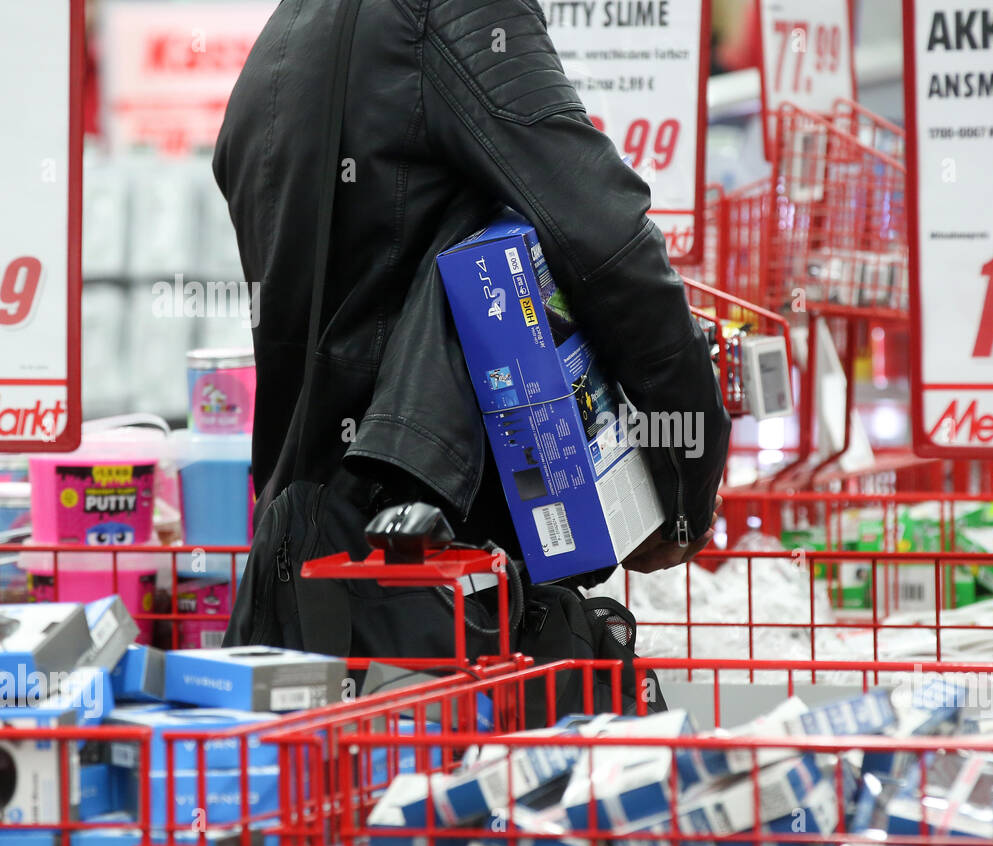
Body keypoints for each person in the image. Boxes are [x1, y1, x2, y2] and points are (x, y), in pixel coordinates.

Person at [212, 0, 730, 590]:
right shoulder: (451, 11)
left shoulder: (284, 35)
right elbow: (604, 237)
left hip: (315, 549)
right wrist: (690, 474)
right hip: (441, 563)